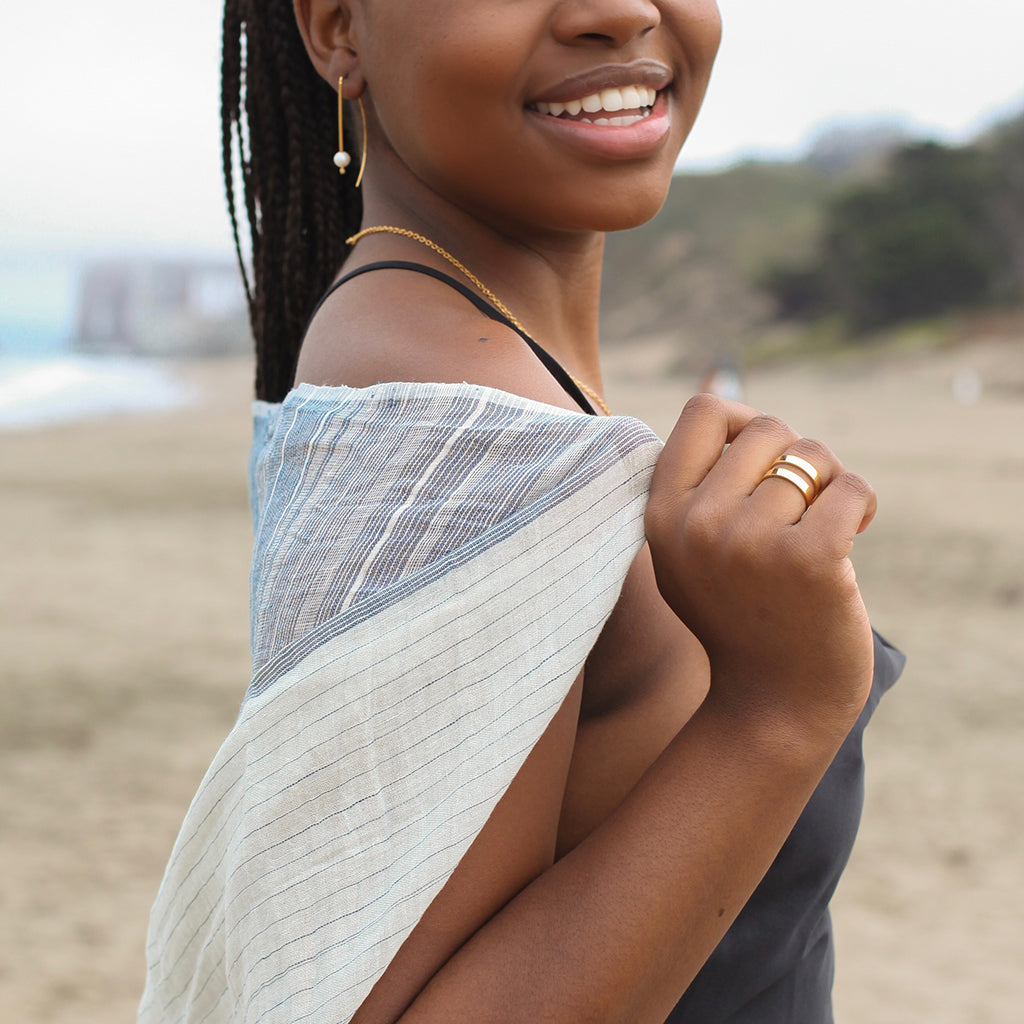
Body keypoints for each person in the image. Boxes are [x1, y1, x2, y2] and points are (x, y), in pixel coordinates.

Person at [139, 2, 903, 1022]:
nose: (621, 9)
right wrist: (776, 708)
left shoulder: (435, 356)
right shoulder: (455, 417)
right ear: (336, 30)